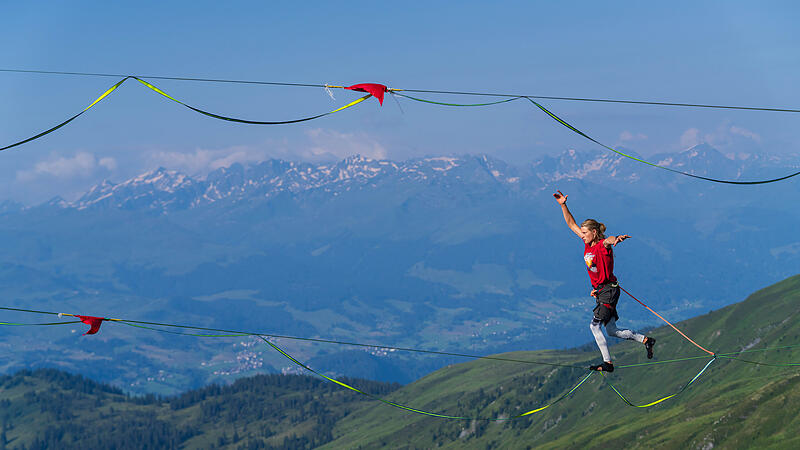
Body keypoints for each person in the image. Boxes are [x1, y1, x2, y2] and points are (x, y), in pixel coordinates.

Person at [553, 190, 655, 372]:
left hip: (608, 291)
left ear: (594, 232)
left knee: (594, 326)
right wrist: (563, 205)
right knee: (611, 330)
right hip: (602, 291)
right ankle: (645, 340)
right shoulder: (587, 243)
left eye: (585, 233)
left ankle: (608, 363)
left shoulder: (601, 246)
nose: (582, 235)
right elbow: (571, 224)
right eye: (582, 233)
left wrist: (616, 239)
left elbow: (608, 240)